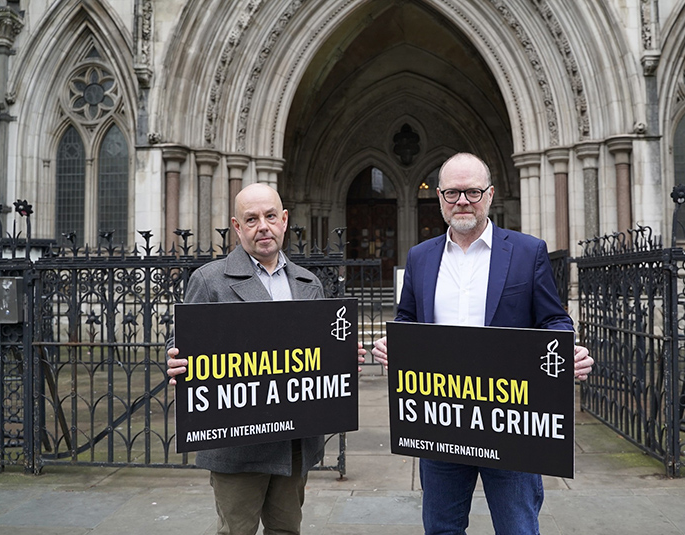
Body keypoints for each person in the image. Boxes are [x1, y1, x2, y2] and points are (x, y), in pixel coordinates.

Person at [372, 153, 594, 535]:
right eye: (453, 192)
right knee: (441, 528)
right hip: (440, 420)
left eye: (472, 192)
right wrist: (394, 344)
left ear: (489, 195)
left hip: (509, 420)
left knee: (517, 528)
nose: (463, 201)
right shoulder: (421, 258)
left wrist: (563, 350)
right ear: (440, 197)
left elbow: (553, 318)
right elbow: (408, 319)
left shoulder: (527, 252)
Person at [167, 183, 365, 535]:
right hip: (237, 444)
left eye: (271, 216)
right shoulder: (210, 281)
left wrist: (345, 357)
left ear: (284, 220)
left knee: (287, 530)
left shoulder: (308, 283)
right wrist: (174, 359)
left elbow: (320, 350)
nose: (263, 226)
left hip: (294, 443)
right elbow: (181, 341)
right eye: (252, 219)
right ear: (237, 226)